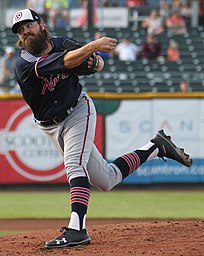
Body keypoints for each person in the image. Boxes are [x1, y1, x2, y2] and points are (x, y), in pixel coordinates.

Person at [11, 8, 192, 249]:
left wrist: (93, 61)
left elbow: (97, 65)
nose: (25, 32)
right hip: (50, 126)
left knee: (74, 165)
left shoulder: (62, 42)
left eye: (28, 26)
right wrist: (91, 47)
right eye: (21, 31)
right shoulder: (24, 61)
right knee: (107, 179)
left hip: (78, 111)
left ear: (41, 25)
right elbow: (67, 61)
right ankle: (156, 147)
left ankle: (77, 229)